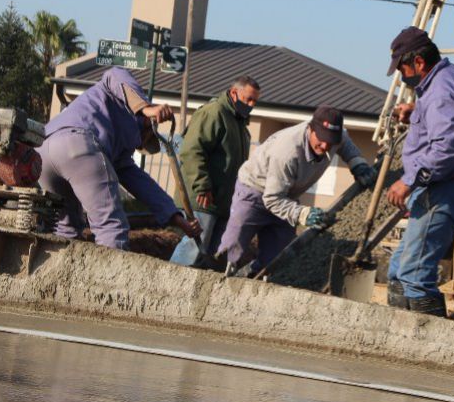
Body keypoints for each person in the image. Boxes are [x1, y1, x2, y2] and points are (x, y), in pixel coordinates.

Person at [39, 67, 201, 250]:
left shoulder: (121, 151)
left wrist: (178, 220)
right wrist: (147, 109)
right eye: (145, 140)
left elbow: (145, 186)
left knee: (66, 228)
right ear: (149, 128)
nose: (139, 145)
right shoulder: (120, 97)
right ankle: (106, 280)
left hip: (45, 151)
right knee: (111, 228)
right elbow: (114, 74)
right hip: (77, 142)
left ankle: (56, 277)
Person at [384, 27, 454, 316]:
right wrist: (415, 111)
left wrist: (408, 180)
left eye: (403, 68)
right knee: (398, 272)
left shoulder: (440, 91)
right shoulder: (450, 80)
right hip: (443, 188)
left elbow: (446, 149)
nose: (401, 76)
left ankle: (428, 347)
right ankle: (398, 339)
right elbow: (446, 118)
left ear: (418, 63)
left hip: (441, 190)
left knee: (415, 277)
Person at [217, 105, 377, 277]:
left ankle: (256, 278)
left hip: (286, 196)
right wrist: (302, 214)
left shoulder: (336, 138)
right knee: (233, 246)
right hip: (255, 191)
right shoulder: (287, 152)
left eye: (330, 141)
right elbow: (272, 199)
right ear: (310, 128)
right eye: (321, 139)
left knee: (278, 257)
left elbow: (345, 143)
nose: (325, 146)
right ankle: (221, 278)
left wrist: (357, 163)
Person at [174, 75, 260, 260]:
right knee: (194, 247)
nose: (252, 104)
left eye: (255, 101)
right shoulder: (214, 112)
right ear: (234, 93)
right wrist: (202, 186)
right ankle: (166, 286)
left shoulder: (239, 122)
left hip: (222, 201)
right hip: (203, 198)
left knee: (210, 254)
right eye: (249, 99)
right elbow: (192, 150)